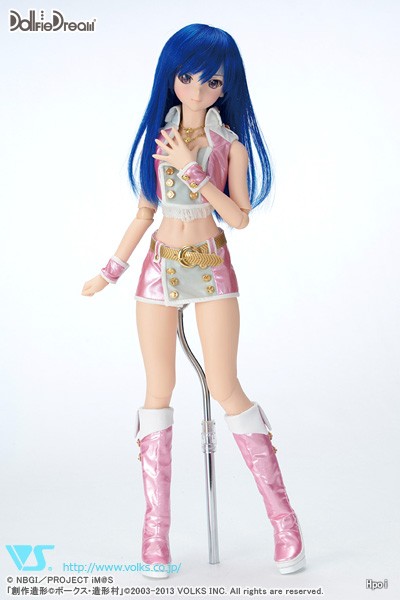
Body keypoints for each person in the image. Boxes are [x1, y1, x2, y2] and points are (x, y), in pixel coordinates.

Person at [82, 23, 306, 578]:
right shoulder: (158, 139)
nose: (199, 90)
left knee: (225, 387)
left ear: (227, 88)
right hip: (159, 270)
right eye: (188, 78)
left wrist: (194, 170)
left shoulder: (230, 147)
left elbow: (239, 218)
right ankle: (154, 532)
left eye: (213, 82)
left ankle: (285, 523)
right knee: (158, 392)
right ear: (171, 78)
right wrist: (111, 270)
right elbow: (145, 212)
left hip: (210, 268)